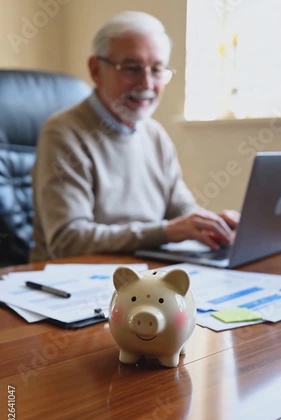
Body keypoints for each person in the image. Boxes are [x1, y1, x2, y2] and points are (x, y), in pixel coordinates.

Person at [31, 10, 240, 262]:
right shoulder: (63, 133)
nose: (147, 84)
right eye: (132, 69)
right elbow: (68, 240)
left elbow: (181, 213)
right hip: (71, 283)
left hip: (146, 275)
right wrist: (165, 231)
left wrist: (214, 224)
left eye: (157, 69)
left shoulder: (155, 134)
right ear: (96, 70)